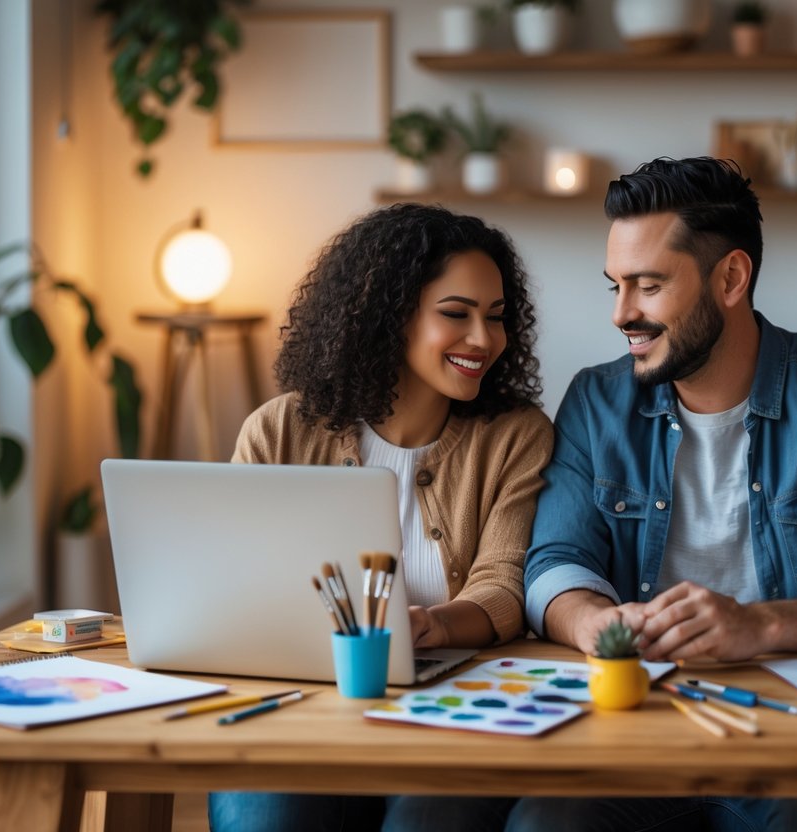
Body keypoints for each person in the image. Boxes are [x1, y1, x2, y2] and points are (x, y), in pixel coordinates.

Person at [513, 157, 797, 832]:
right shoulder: (596, 402)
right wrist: (594, 624)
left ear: (729, 277)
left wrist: (762, 625)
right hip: (635, 733)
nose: (621, 314)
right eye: (615, 286)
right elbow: (554, 564)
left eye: (648, 286)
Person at [209, 203, 551, 832]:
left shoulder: (515, 437)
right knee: (264, 818)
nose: (484, 338)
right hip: (303, 717)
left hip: (456, 719)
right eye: (456, 313)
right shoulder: (279, 430)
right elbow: (236, 587)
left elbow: (504, 585)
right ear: (388, 316)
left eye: (496, 317)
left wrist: (433, 626)